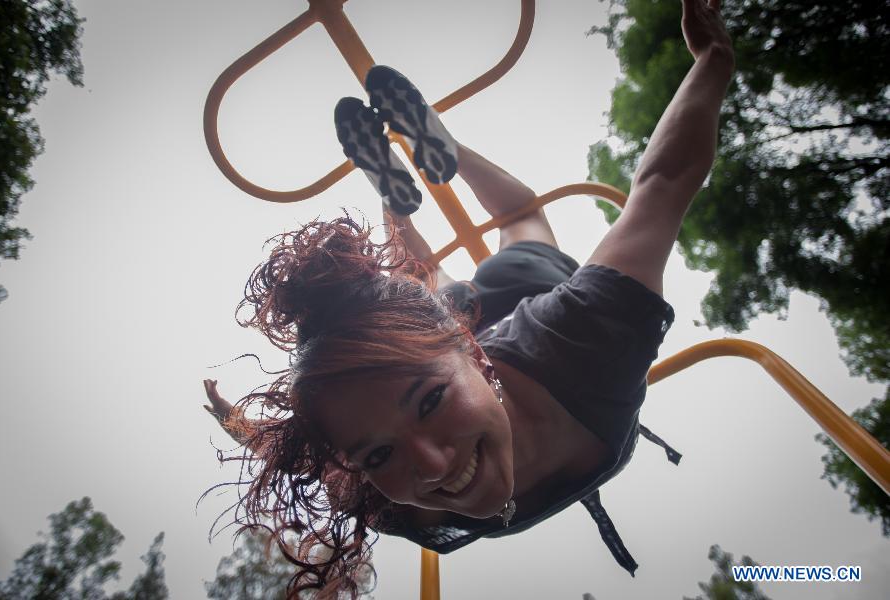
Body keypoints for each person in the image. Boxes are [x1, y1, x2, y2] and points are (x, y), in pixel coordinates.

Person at [203, 1, 733, 597]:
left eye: (430, 404)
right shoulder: (596, 344)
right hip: (476, 327)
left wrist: (714, 59)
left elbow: (662, 184)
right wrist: (713, 61)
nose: (431, 467)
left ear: (479, 355)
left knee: (469, 258)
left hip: (521, 309)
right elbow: (314, 450)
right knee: (489, 242)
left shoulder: (576, 334)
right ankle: (425, 164)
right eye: (379, 456)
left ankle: (402, 190)